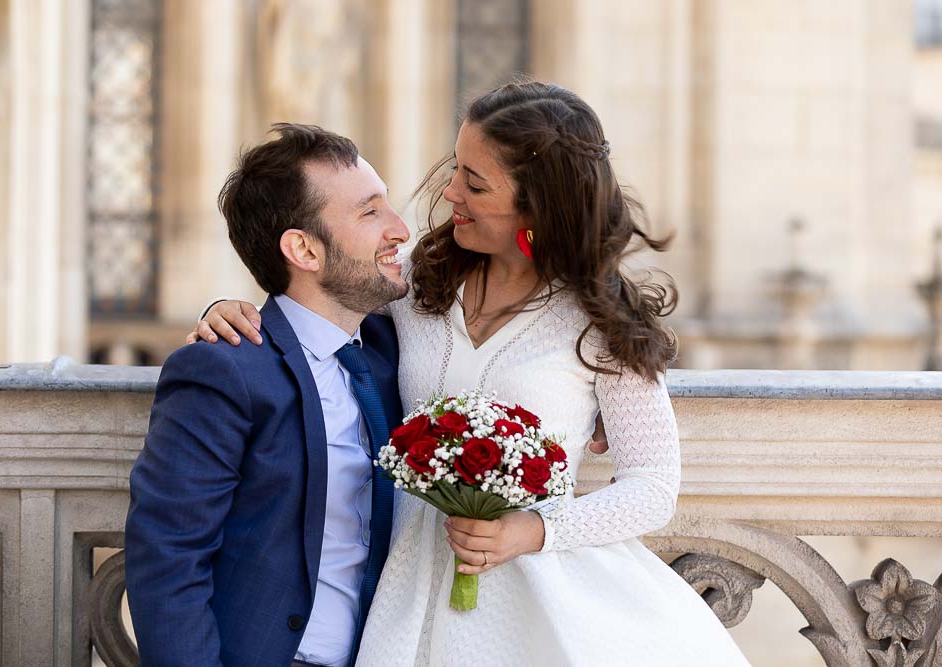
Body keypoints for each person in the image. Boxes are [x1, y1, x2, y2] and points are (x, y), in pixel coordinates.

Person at [192, 81, 751, 665]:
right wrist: (232, 311)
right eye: (456, 167)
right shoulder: (415, 281)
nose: (450, 192)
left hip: (544, 594)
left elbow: (653, 486)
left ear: (539, 205)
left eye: (475, 183)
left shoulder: (602, 322)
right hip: (408, 588)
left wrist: (529, 531)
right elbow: (319, 299)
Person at [124, 123, 410, 667]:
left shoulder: (392, 353)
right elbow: (168, 556)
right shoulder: (224, 369)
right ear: (303, 248)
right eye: (370, 213)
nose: (399, 230)